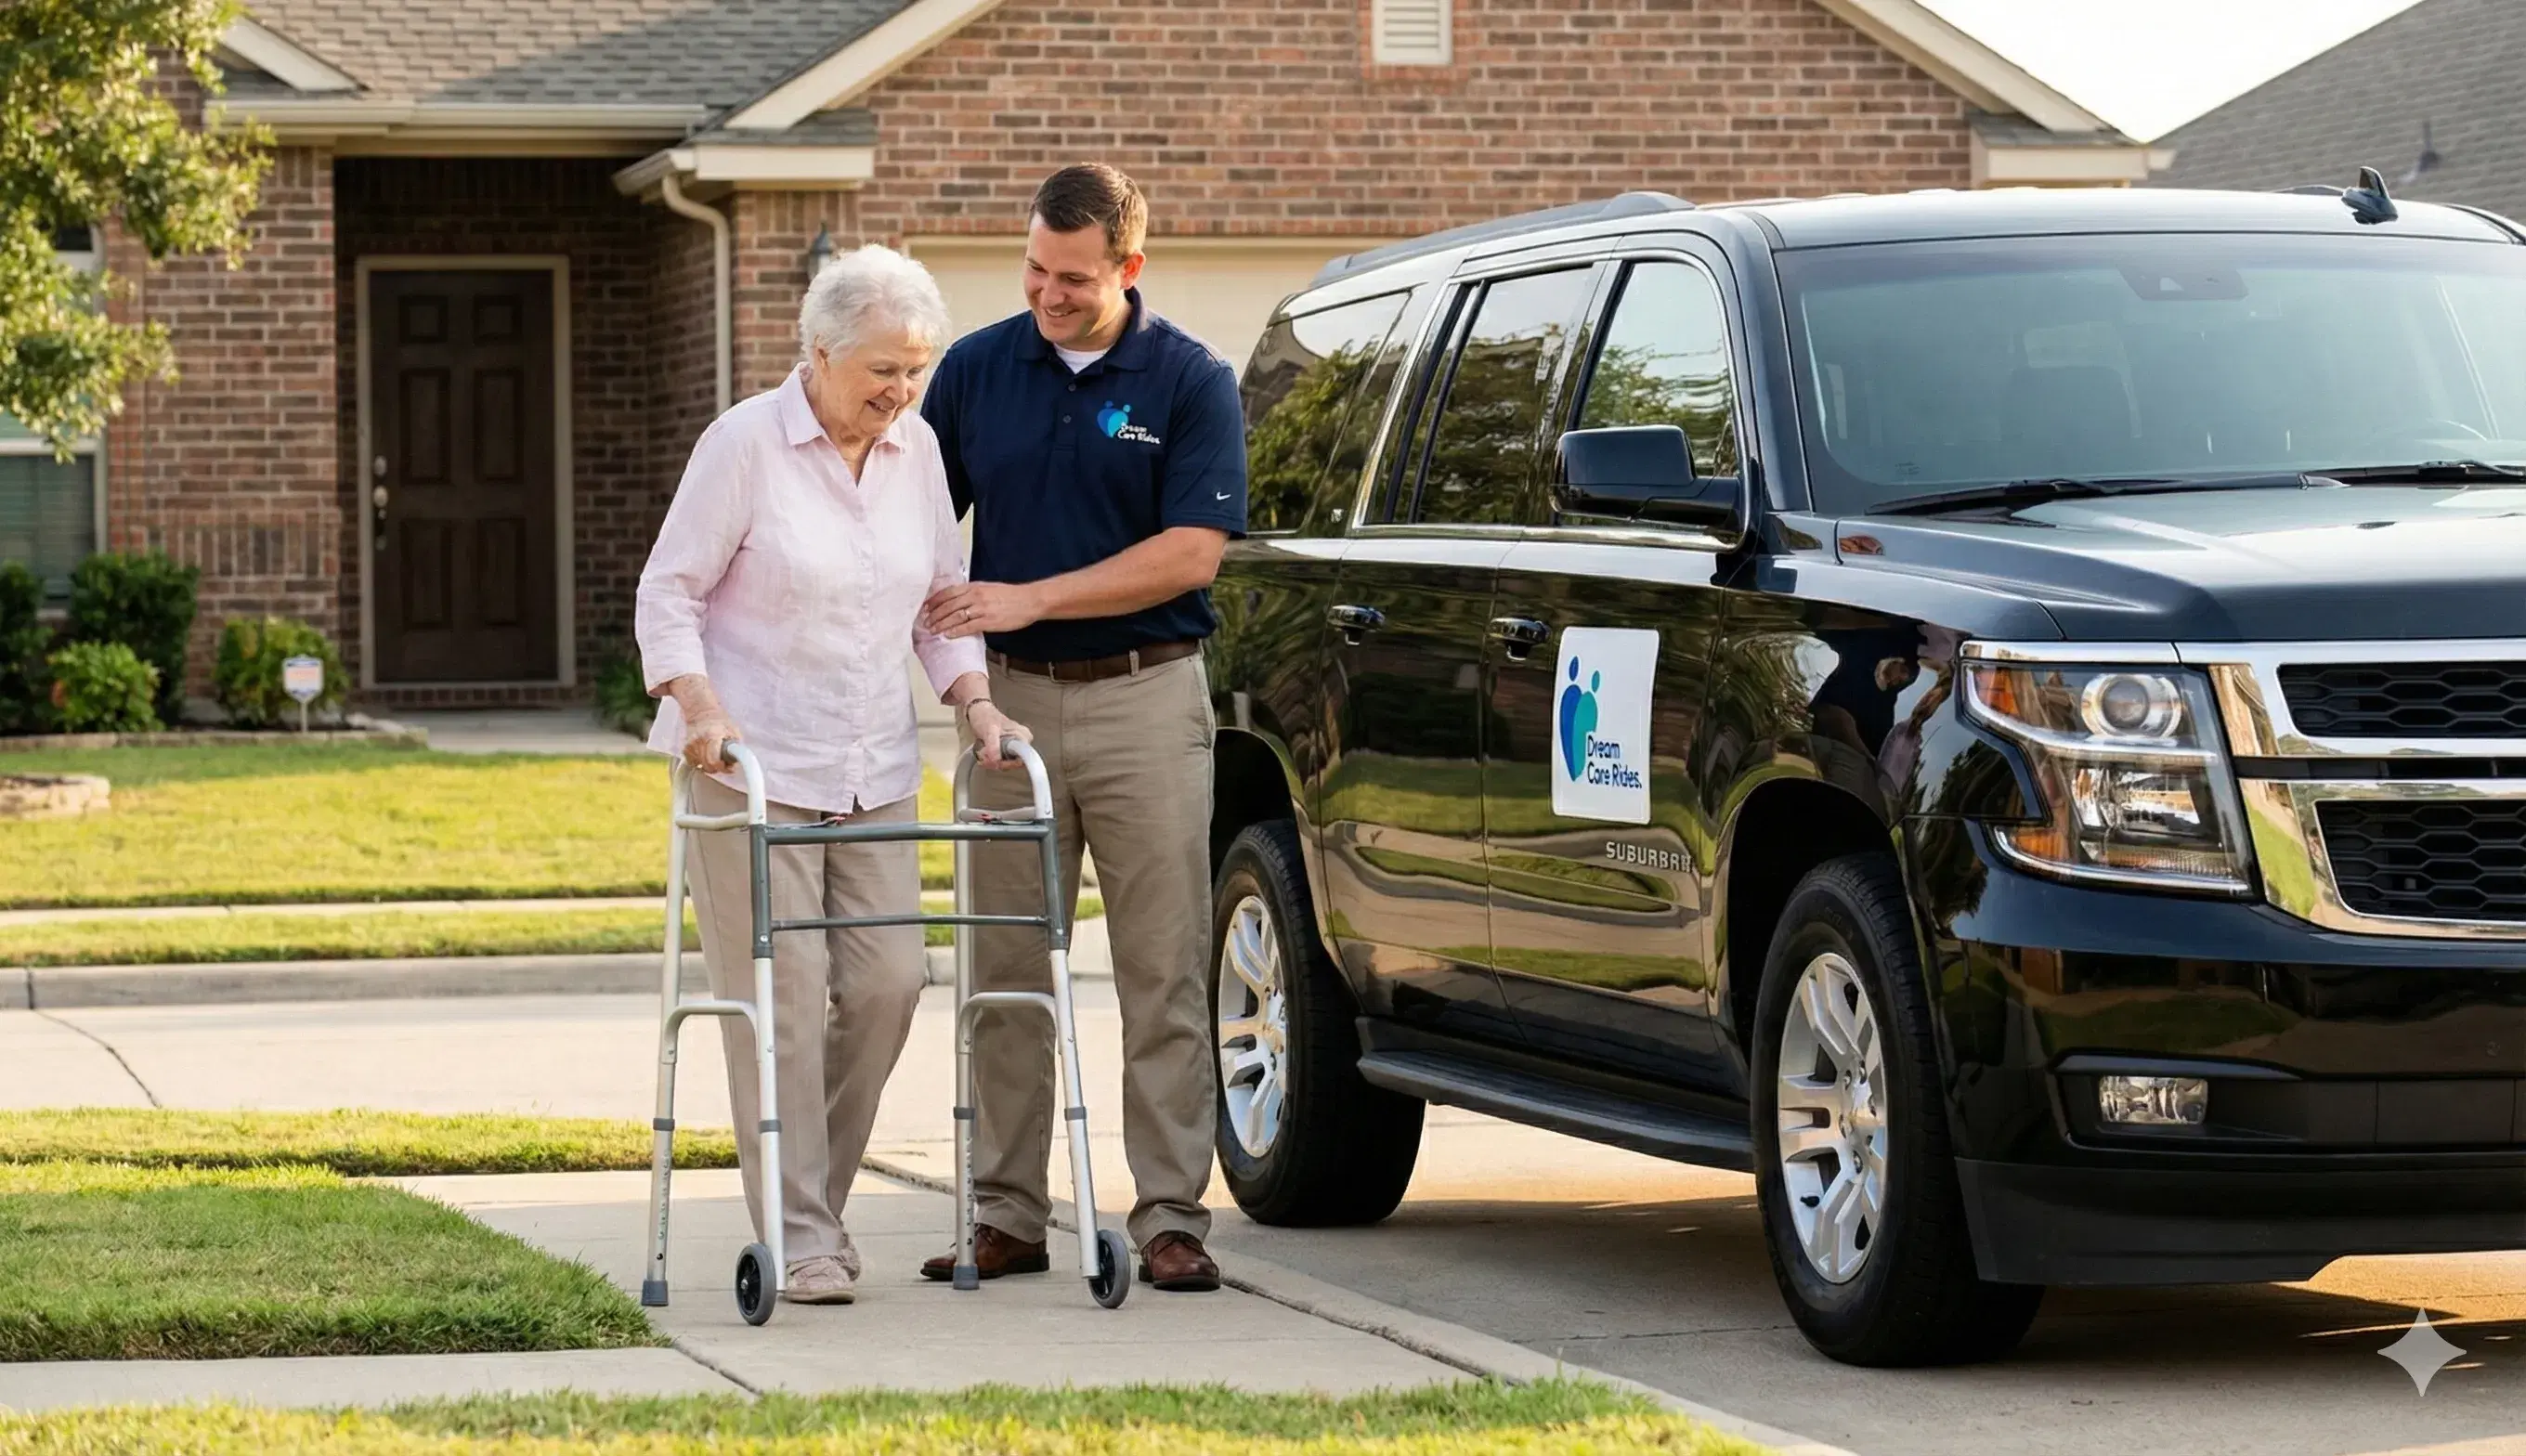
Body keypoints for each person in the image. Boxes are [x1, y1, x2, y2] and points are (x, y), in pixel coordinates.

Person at [636, 243, 1029, 1306]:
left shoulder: (918, 451)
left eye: (916, 370)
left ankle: (814, 1202)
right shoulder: (745, 447)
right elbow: (667, 592)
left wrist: (975, 700)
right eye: (881, 373)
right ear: (818, 352)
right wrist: (700, 708)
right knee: (786, 1000)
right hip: (749, 767)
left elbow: (936, 598)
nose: (900, 393)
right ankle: (803, 1232)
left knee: (892, 983)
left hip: (872, 763)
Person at [914, 163, 1247, 1294]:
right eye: (1033, 270)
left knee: (1160, 966)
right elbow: (907, 522)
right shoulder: (971, 370)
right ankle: (1005, 1212)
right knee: (1002, 966)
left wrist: (1028, 592)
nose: (1047, 295)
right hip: (1008, 706)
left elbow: (1190, 555)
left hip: (1149, 695)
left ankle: (1167, 1217)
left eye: (1072, 278)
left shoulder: (1190, 379)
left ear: (1127, 268)